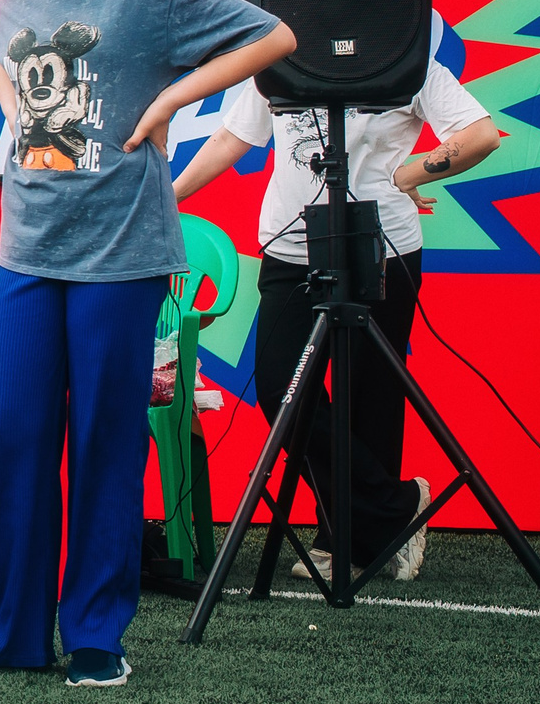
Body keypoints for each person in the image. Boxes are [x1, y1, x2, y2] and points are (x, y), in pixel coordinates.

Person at [0, 0, 294, 689]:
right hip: (25, 250)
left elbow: (274, 35)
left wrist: (172, 96)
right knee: (13, 437)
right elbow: (0, 58)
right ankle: (6, 632)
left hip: (123, 254)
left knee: (104, 442)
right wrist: (15, 102)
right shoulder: (14, 2)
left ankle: (96, 632)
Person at [174, 60, 499, 583]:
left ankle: (347, 540)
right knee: (282, 386)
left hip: (381, 246)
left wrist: (406, 174)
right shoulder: (282, 61)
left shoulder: (405, 57)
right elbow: (232, 138)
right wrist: (169, 199)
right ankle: (395, 508)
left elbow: (480, 135)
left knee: (370, 392)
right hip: (291, 244)